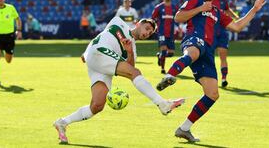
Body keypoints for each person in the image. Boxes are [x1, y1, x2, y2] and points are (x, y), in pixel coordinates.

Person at [156, 0, 266, 142]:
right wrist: (200, 9)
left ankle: (184, 129)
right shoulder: (195, 0)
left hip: (208, 51)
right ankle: (169, 75)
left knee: (213, 93)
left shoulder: (217, 12)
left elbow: (237, 26)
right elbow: (179, 17)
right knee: (193, 52)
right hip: (193, 39)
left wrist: (255, 9)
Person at [54, 17, 185, 144]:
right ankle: (162, 104)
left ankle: (62, 122)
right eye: (147, 28)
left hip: (100, 66)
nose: (147, 33)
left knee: (97, 106)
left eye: (150, 33)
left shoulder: (133, 49)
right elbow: (101, 36)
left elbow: (130, 68)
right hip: (99, 51)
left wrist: (129, 52)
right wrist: (86, 52)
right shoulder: (118, 22)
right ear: (138, 24)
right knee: (135, 73)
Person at [213, 0, 239, 88]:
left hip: (222, 33)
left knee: (223, 57)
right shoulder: (206, 1)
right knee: (209, 58)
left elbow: (228, 10)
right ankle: (210, 79)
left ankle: (224, 79)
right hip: (210, 33)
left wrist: (236, 18)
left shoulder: (223, 1)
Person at [152, 0, 178, 74]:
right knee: (163, 50)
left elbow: (178, 18)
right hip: (161, 33)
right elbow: (152, 19)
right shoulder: (158, 7)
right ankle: (163, 69)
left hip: (170, 34)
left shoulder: (175, 8)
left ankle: (160, 57)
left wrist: (179, 27)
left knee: (170, 53)